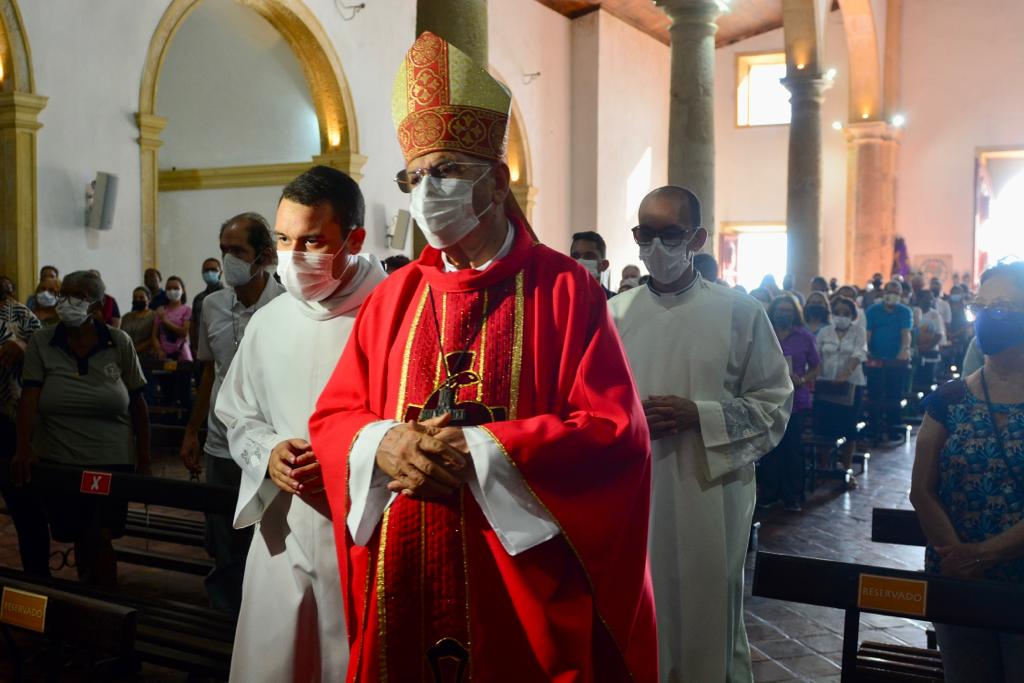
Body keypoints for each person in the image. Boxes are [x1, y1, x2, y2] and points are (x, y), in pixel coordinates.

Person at [310, 32, 657, 682]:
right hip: (404, 573)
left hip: (515, 582)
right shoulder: (395, 298)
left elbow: (616, 435)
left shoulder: (563, 289)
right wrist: (382, 445)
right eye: (413, 177)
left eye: (444, 171)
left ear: (497, 180)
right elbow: (334, 417)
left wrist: (481, 452)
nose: (425, 192)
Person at [609, 186, 792, 682]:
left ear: (698, 238)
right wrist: (628, 423)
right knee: (645, 613)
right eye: (644, 235)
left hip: (712, 489)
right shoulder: (615, 315)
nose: (655, 247)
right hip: (637, 490)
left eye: (669, 234)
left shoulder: (739, 311)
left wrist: (700, 416)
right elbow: (593, 409)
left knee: (709, 614)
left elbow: (774, 403)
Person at [216, 166, 387, 682]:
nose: (292, 258)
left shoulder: (396, 313)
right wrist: (267, 450)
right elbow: (237, 412)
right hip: (283, 531)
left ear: (354, 239)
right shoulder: (271, 321)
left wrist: (351, 458)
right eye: (284, 239)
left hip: (364, 534)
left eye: (312, 241)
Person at [910, 262, 1024, 683]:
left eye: (1005, 306)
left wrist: (985, 553)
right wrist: (957, 556)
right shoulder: (950, 398)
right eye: (982, 306)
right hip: (957, 583)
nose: (989, 316)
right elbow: (921, 490)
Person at [13, 271, 150, 586]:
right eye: (64, 295)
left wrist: (143, 458)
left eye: (77, 297)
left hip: (110, 460)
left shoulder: (118, 342)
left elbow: (138, 404)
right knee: (77, 532)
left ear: (97, 306)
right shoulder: (43, 341)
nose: (65, 303)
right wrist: (23, 448)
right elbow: (29, 400)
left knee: (100, 533)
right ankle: (87, 597)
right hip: (60, 459)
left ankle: (104, 607)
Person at [180, 212, 284, 612]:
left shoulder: (287, 305)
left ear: (263, 256)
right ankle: (223, 632)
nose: (228, 261)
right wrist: (192, 430)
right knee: (222, 539)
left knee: (269, 537)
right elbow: (210, 371)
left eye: (238, 251)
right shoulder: (212, 305)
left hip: (268, 442)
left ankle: (266, 625)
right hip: (221, 443)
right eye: (224, 251)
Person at [0, 277, 47, 576]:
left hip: (9, 421)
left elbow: (46, 352)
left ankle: (38, 577)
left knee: (25, 508)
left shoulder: (19, 315)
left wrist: (22, 345)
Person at [759, 294, 819, 512]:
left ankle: (792, 495)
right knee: (770, 447)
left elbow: (816, 366)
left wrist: (803, 379)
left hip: (796, 400)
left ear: (795, 314)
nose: (783, 314)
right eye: (780, 309)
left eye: (788, 310)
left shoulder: (803, 336)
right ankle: (769, 493)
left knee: (792, 449)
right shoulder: (764, 332)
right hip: (768, 400)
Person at [815, 296, 868, 485]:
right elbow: (817, 355)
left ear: (853, 316)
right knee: (825, 426)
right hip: (826, 384)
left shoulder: (858, 332)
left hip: (851, 384)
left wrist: (845, 374)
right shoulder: (824, 332)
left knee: (849, 427)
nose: (841, 316)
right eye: (837, 312)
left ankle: (846, 468)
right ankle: (824, 468)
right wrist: (820, 376)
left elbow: (859, 354)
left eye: (846, 313)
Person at [865, 280, 913, 441]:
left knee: (894, 394)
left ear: (900, 296)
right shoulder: (873, 310)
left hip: (896, 359)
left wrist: (904, 350)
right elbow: (868, 333)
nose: (892, 295)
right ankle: (874, 427)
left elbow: (906, 334)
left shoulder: (904, 311)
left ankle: (893, 427)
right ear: (884, 293)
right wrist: (868, 351)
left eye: (896, 293)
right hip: (876, 359)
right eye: (889, 291)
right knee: (874, 394)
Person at [914, 290, 947, 392]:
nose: (929, 301)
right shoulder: (914, 312)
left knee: (928, 382)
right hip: (916, 353)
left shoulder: (935, 315)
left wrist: (928, 346)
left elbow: (939, 334)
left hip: (931, 353)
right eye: (926, 298)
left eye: (931, 298)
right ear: (919, 299)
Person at [190, 257, 224, 354]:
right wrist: (193, 347)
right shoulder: (199, 298)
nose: (209, 272)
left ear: (221, 273)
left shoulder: (228, 296)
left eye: (213, 270)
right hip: (202, 351)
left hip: (222, 349)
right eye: (206, 270)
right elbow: (193, 324)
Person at [569, 230, 615, 298]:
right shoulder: (561, 301)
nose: (580, 261)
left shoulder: (617, 303)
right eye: (575, 256)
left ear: (604, 265)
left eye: (589, 256)